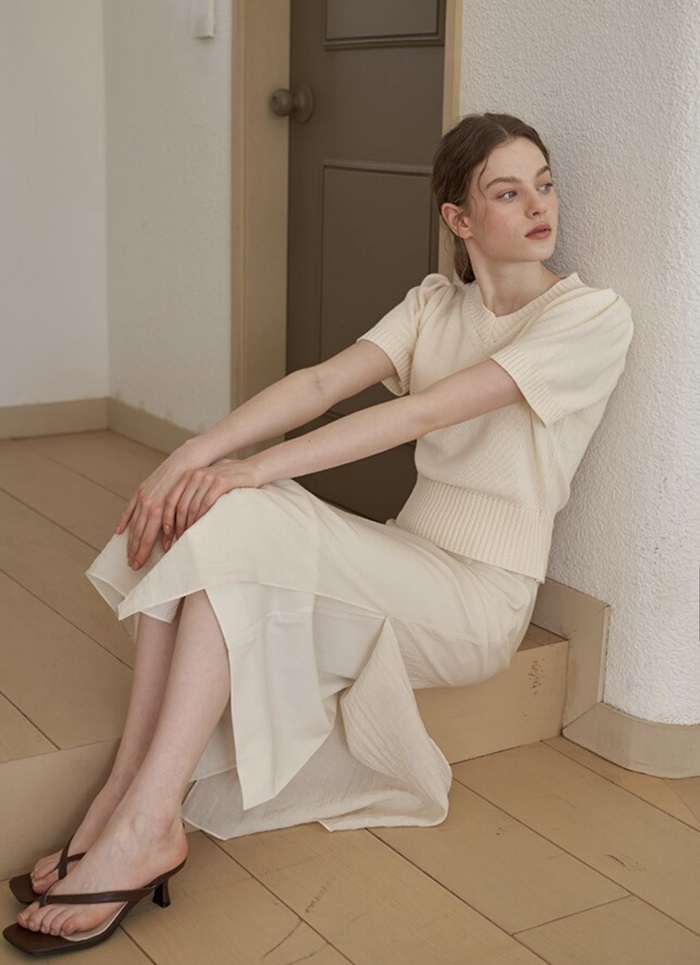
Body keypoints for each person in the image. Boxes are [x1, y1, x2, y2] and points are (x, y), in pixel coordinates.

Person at [4, 112, 633, 956]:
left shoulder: (590, 316)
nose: (540, 206)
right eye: (509, 192)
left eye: (544, 184)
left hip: (477, 600)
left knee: (243, 502)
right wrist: (192, 456)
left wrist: (253, 468)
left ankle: (148, 820)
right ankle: (127, 794)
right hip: (406, 556)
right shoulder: (434, 303)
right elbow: (318, 384)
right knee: (210, 505)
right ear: (459, 217)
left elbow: (423, 412)